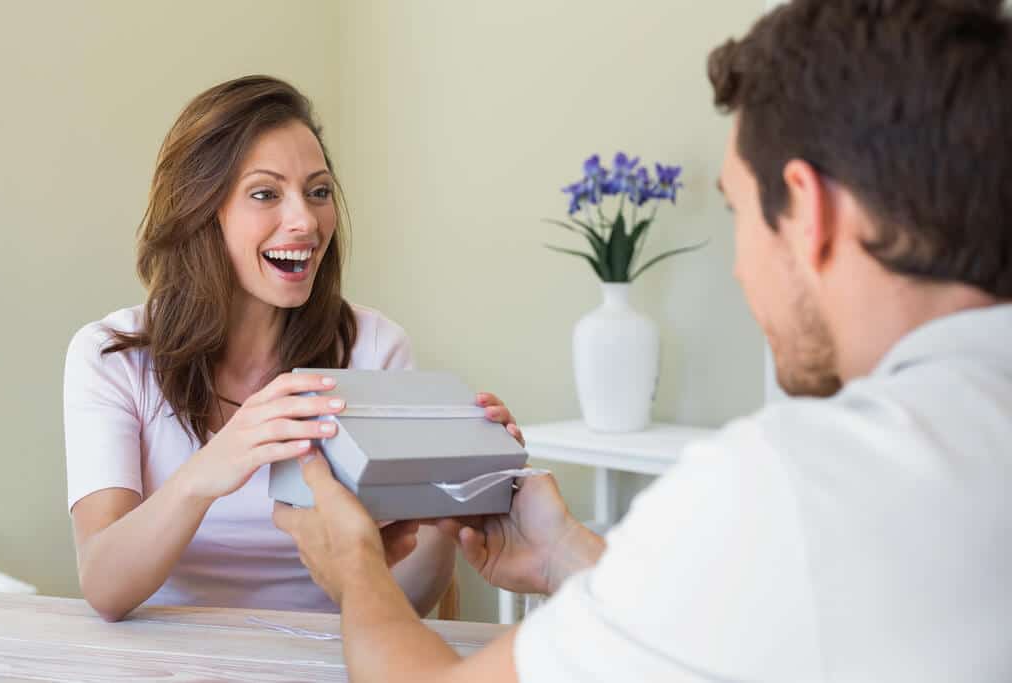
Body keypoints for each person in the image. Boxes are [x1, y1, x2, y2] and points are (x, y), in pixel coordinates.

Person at [271, 1, 1012, 681]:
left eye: (738, 213)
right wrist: (568, 553)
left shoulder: (788, 479)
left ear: (809, 209)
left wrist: (356, 566)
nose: (739, 263)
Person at [63, 76, 523, 622]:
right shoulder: (112, 358)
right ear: (203, 209)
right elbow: (104, 584)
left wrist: (450, 510)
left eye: (318, 191)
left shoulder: (374, 349)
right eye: (265, 194)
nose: (305, 221)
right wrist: (208, 470)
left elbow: (405, 603)